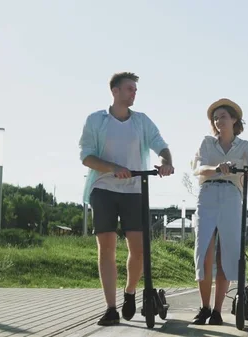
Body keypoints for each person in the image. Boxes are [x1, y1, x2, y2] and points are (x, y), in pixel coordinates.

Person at [78, 71, 174, 326]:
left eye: (135, 89)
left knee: (139, 250)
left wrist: (166, 161)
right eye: (129, 89)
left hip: (134, 191)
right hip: (103, 189)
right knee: (106, 248)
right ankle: (111, 308)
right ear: (115, 91)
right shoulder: (96, 120)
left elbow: (160, 145)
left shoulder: (141, 121)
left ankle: (130, 292)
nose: (134, 93)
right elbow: (86, 156)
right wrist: (112, 168)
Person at [191, 98, 248, 325]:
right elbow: (197, 168)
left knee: (227, 254)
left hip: (231, 196)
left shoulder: (244, 146)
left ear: (234, 120)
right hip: (208, 194)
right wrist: (216, 168)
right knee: (204, 251)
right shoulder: (207, 143)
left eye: (223, 116)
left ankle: (218, 310)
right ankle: (204, 307)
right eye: (216, 117)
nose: (219, 120)